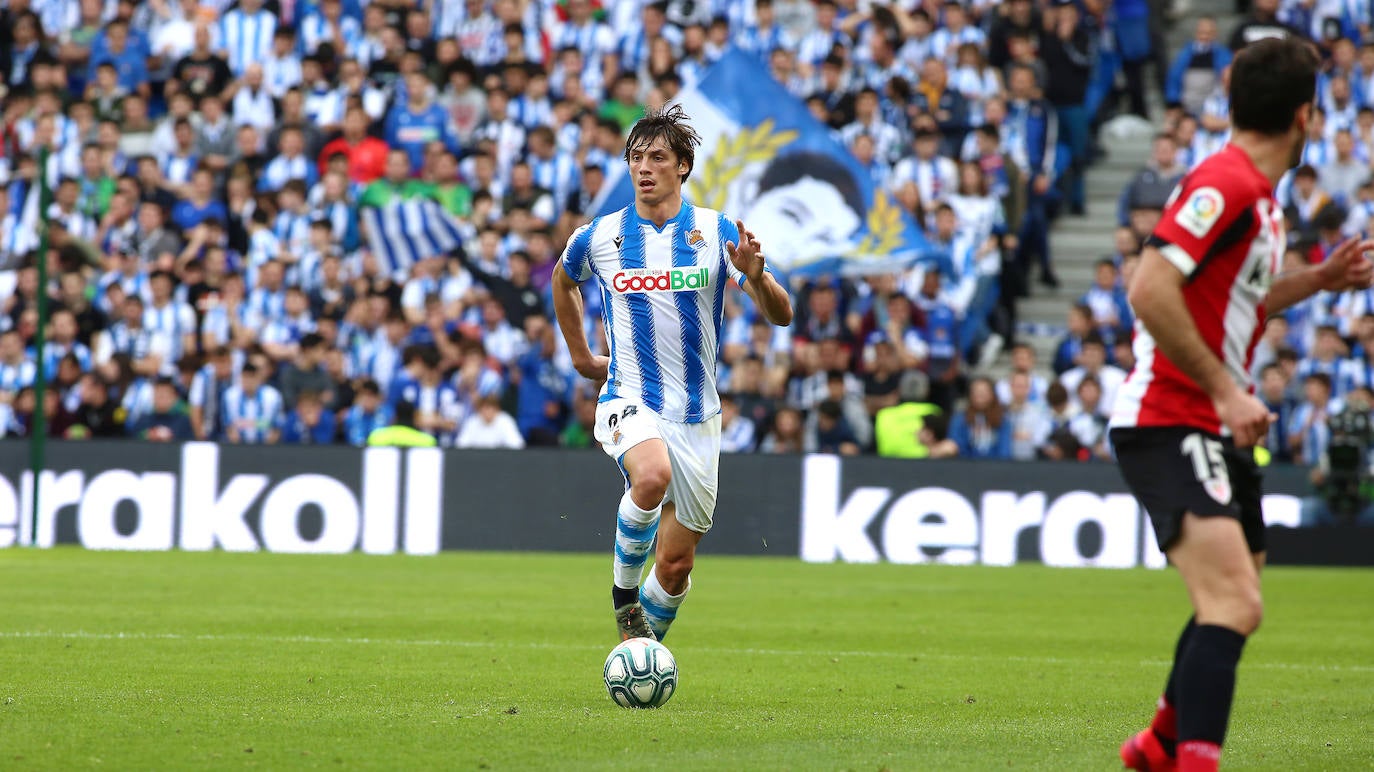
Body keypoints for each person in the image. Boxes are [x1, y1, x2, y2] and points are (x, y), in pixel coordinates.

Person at [1110, 38, 1374, 772]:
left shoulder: (1256, 197)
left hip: (1211, 419)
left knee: (1236, 590)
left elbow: (1245, 297)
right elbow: (1149, 286)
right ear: (1305, 117)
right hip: (1171, 416)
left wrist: (1319, 281)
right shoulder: (1226, 185)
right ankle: (1188, 757)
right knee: (1236, 604)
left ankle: (1159, 742)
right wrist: (1226, 390)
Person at [551, 105, 792, 643]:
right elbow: (562, 281)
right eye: (637, 157)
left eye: (657, 157)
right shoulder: (602, 236)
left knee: (677, 565)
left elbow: (782, 315)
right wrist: (580, 356)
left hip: (697, 414)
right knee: (651, 476)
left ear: (683, 166)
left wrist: (757, 280)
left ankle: (642, 653)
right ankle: (622, 601)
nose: (644, 167)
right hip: (629, 395)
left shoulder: (716, 232)